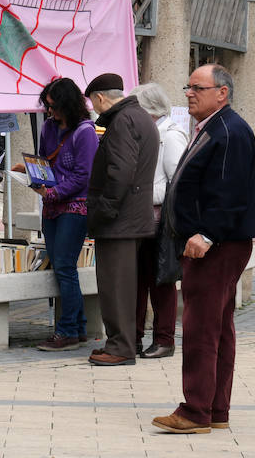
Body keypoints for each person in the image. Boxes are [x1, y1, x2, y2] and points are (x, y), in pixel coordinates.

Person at [153, 64, 255, 434]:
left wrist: (207, 235)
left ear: (222, 93)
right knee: (217, 327)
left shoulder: (229, 131)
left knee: (200, 327)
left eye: (197, 87)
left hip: (214, 246)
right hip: (210, 243)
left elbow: (228, 194)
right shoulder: (215, 127)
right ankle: (215, 409)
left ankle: (195, 411)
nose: (188, 93)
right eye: (187, 87)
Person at [15, 78, 99, 351]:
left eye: (54, 107)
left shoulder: (85, 132)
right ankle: (79, 326)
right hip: (51, 205)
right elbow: (44, 161)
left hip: (75, 207)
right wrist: (29, 172)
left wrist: (54, 193)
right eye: (47, 107)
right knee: (61, 265)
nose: (50, 113)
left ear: (68, 105)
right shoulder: (49, 127)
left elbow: (84, 175)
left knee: (64, 266)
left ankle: (67, 332)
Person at [84, 73, 158, 366]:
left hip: (120, 220)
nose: (93, 108)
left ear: (100, 98)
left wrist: (104, 211)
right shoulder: (139, 116)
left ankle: (121, 347)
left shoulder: (123, 121)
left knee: (115, 286)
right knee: (124, 285)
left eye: (93, 102)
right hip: (131, 217)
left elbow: (120, 173)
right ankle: (122, 342)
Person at [130, 83, 187, 359]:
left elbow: (178, 183)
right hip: (141, 218)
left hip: (159, 221)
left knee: (160, 281)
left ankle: (164, 339)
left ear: (148, 110)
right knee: (138, 281)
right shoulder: (147, 132)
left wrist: (138, 191)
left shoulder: (171, 135)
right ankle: (135, 336)